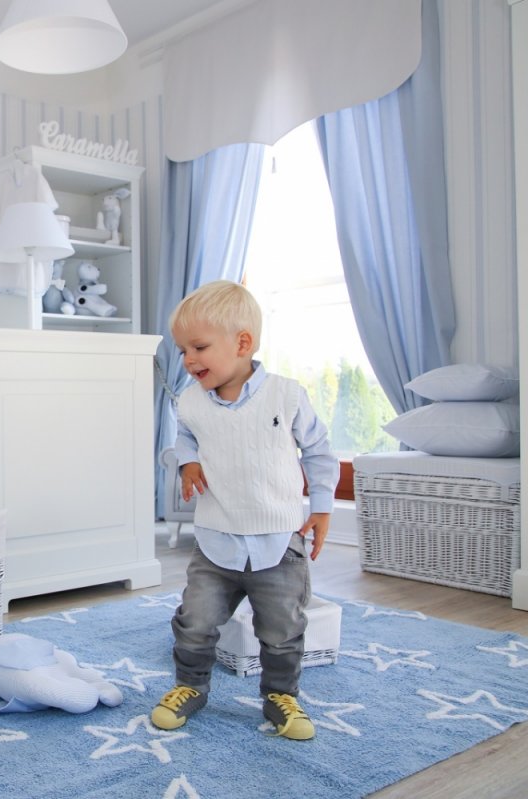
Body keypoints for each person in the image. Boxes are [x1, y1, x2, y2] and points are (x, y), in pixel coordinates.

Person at [152, 280, 339, 740]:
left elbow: (318, 451)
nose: (188, 360)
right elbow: (184, 438)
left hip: (278, 542)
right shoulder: (191, 401)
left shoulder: (286, 396)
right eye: (183, 350)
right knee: (194, 622)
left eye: (199, 347)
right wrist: (188, 462)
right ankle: (190, 685)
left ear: (242, 343)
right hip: (216, 540)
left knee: (282, 629)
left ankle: (281, 696)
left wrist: (321, 507)